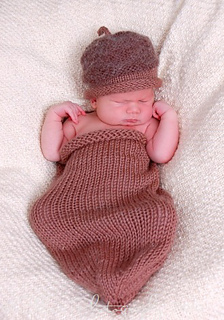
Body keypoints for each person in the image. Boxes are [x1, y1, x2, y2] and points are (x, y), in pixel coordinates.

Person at [30, 26, 178, 310]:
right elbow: (51, 152)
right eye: (122, 103)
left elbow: (161, 154)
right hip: (75, 200)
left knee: (157, 214)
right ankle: (94, 271)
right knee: (47, 214)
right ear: (94, 101)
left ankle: (125, 277)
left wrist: (168, 117)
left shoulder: (147, 124)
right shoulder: (80, 122)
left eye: (144, 101)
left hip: (129, 199)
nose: (133, 110)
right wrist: (54, 116)